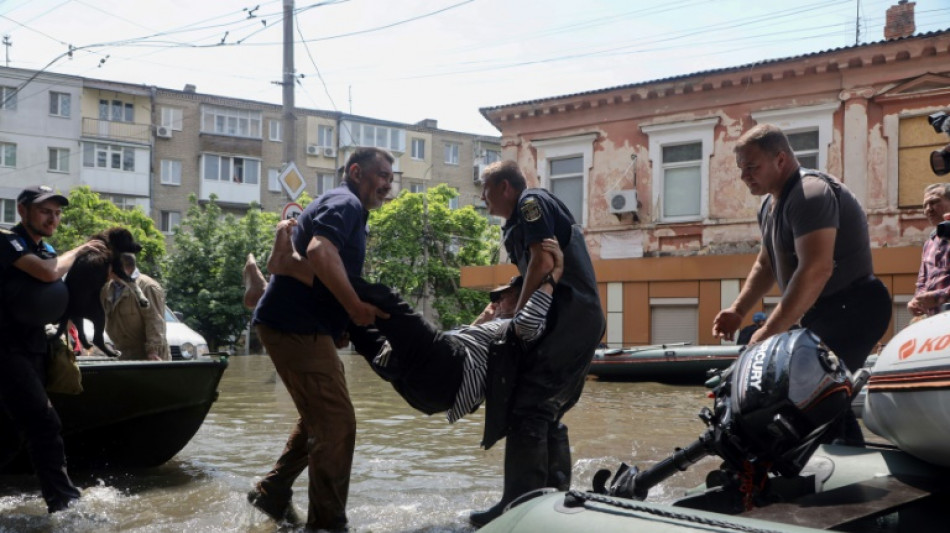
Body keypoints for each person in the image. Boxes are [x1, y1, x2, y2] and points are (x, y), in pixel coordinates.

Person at [244, 221, 566, 424]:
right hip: (420, 389)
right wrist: (482, 319)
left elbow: (530, 319)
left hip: (445, 371)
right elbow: (480, 342)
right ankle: (266, 295)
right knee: (355, 320)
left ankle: (287, 264)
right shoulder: (498, 337)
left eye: (504, 297)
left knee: (382, 299)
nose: (496, 302)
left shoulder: (525, 328)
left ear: (525, 295)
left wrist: (554, 274)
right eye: (495, 298)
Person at [712, 123, 891, 444]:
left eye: (752, 167)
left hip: (856, 306)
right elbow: (766, 264)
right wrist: (738, 311)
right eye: (741, 169)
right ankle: (826, 456)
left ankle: (845, 461)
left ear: (780, 160)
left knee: (810, 383)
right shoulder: (769, 205)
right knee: (801, 384)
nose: (744, 177)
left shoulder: (810, 193)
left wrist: (770, 330)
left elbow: (816, 270)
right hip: (822, 310)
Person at [247, 147, 393, 531]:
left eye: (391, 180)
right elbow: (319, 250)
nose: (387, 186)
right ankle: (327, 525)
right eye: (382, 176)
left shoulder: (347, 208)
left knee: (320, 418)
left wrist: (339, 321)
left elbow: (321, 267)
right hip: (295, 326)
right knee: (336, 423)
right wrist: (356, 307)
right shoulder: (345, 203)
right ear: (357, 171)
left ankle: (273, 491)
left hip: (302, 325)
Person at [473, 160, 605, 526]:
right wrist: (502, 306)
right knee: (547, 409)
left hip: (570, 318)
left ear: (504, 187)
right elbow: (533, 269)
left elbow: (544, 261)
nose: (483, 199)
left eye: (485, 190)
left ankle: (519, 510)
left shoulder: (530, 203)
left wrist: (518, 319)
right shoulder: (520, 218)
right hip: (573, 318)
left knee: (528, 408)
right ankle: (555, 501)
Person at [0, 185, 108, 513]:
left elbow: (54, 294)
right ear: (22, 210)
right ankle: (64, 503)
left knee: (12, 432)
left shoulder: (46, 249)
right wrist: (81, 250)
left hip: (34, 347)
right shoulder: (6, 241)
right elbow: (48, 274)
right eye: (46, 211)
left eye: (57, 212)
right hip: (4, 349)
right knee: (44, 422)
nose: (53, 218)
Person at [100, 253, 170, 361]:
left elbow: (154, 320)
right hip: (124, 355)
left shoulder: (147, 286)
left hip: (148, 356)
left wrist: (153, 351)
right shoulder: (108, 288)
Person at [908, 183, 950, 317]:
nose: (928, 209)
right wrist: (916, 300)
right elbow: (922, 282)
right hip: (934, 325)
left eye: (934, 202)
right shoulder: (929, 243)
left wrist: (939, 297)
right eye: (925, 205)